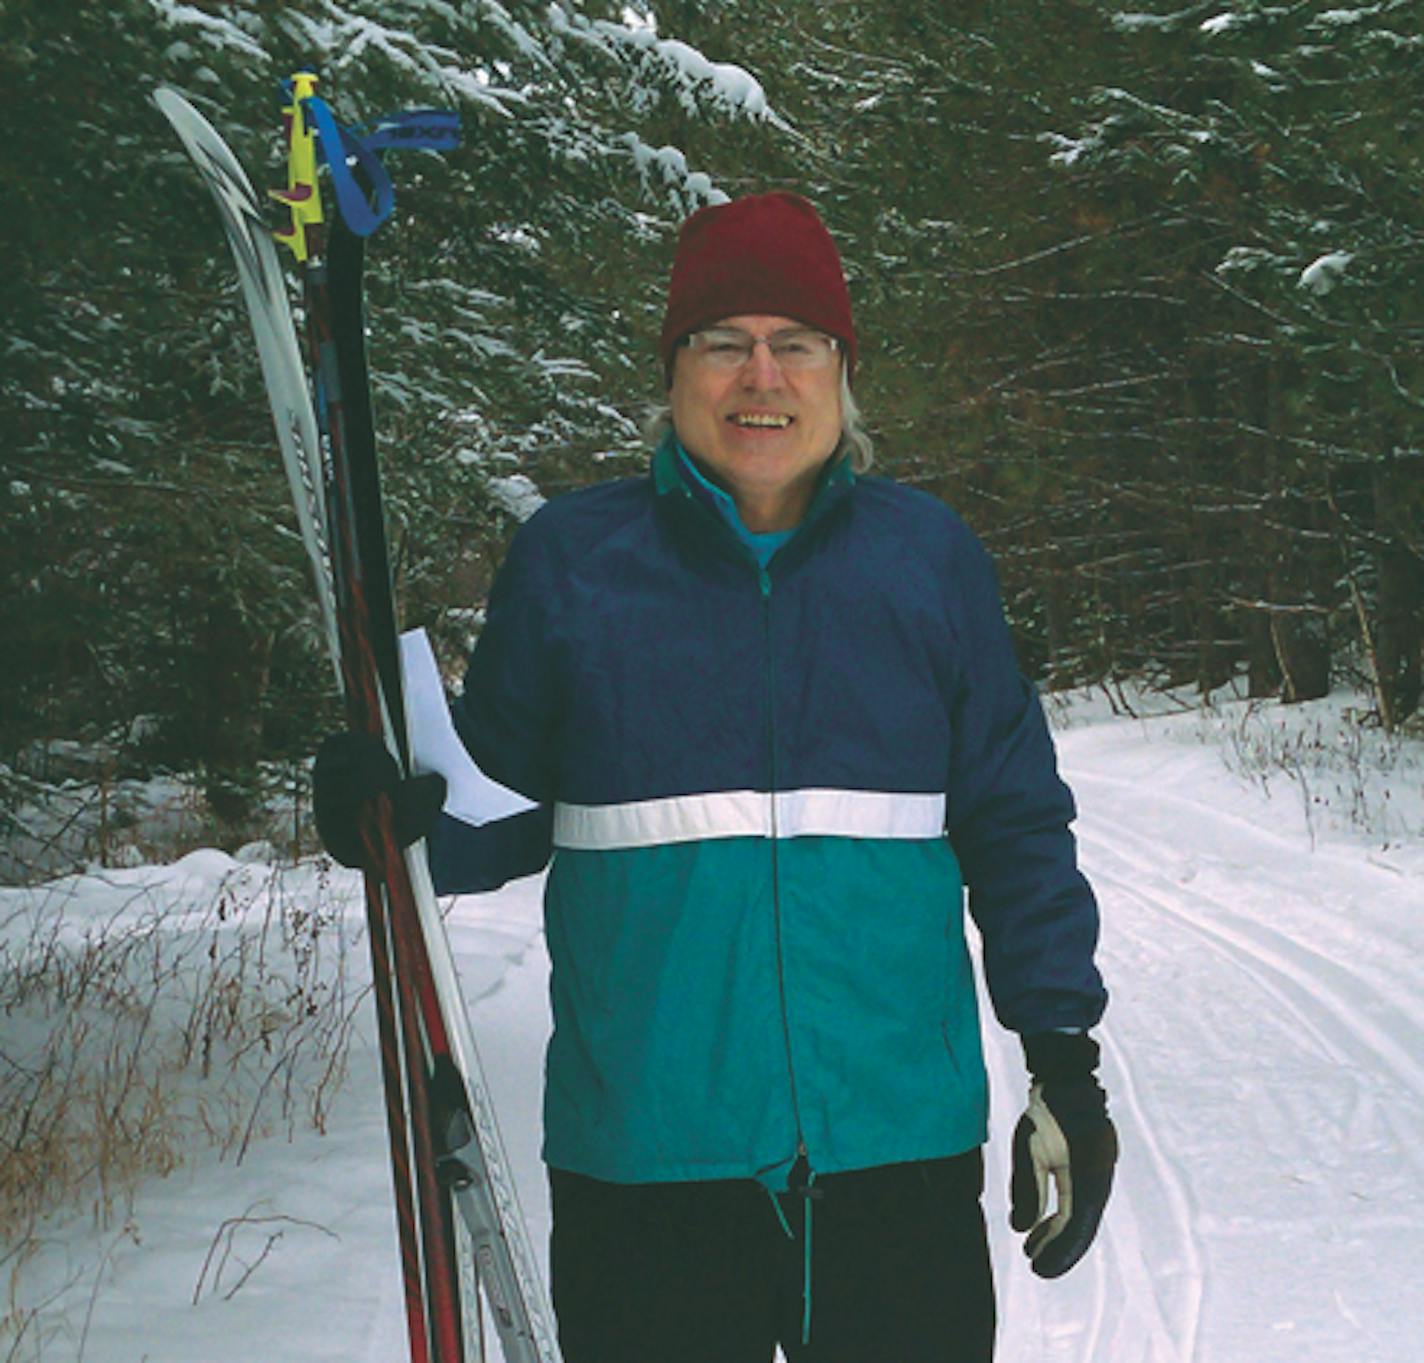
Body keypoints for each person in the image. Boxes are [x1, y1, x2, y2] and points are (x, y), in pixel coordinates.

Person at [315, 190, 1116, 1363]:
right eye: (720, 342)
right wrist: (380, 811)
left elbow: (1014, 824)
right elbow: (485, 822)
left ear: (841, 370)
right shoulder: (574, 566)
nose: (760, 377)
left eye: (794, 343)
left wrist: (1063, 1061)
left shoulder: (927, 562)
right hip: (645, 1166)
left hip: (893, 1157)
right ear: (673, 369)